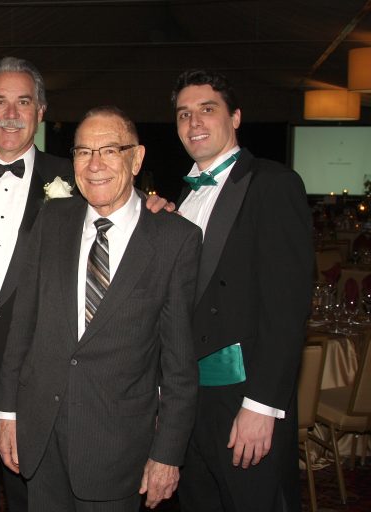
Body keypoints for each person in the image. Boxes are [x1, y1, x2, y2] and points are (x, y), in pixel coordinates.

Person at [0, 56, 172, 512]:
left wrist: (157, 209)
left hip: (45, 387)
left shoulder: (80, 175)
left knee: (36, 497)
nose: (11, 113)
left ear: (41, 111)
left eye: (24, 101)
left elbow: (126, 216)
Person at [0, 106, 201, 511]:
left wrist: (168, 454)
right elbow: (24, 326)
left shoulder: (174, 239)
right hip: (41, 436)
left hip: (118, 447)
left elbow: (179, 363)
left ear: (136, 158)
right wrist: (7, 413)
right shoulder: (51, 220)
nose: (95, 165)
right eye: (83, 152)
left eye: (109, 150)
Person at [171, 69, 312, 512]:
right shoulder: (183, 196)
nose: (194, 123)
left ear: (235, 117)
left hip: (242, 397)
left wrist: (263, 405)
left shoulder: (273, 183)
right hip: (188, 401)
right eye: (184, 114)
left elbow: (287, 309)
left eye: (207, 110)